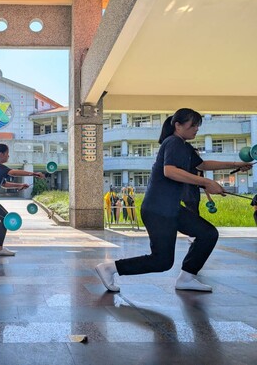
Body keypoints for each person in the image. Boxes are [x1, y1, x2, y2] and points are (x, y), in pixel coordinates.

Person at [95, 108, 253, 293]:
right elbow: (169, 171)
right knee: (162, 261)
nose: (196, 129)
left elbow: (201, 164)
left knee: (208, 234)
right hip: (158, 210)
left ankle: (187, 277)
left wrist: (235, 164)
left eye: (198, 126)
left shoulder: (184, 146)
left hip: (171, 208)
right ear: (178, 125)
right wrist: (206, 182)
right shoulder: (173, 143)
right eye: (192, 125)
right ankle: (110, 268)